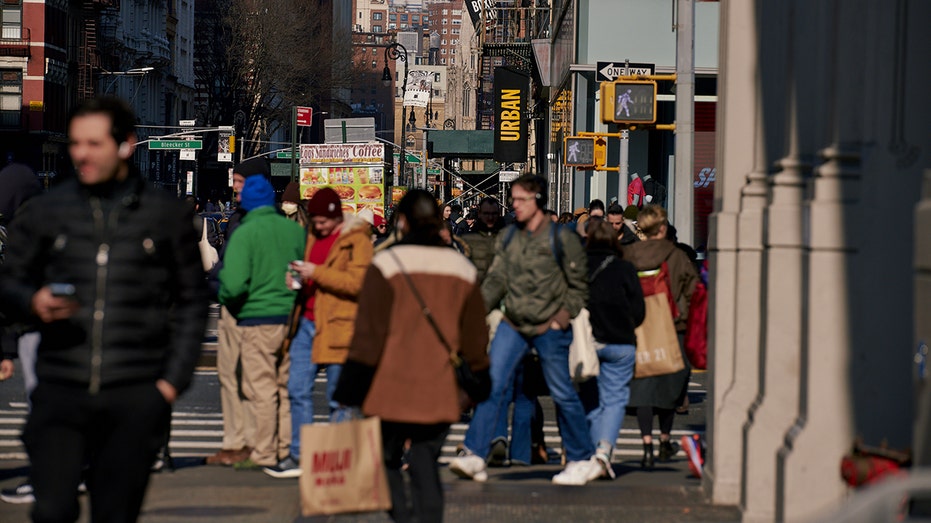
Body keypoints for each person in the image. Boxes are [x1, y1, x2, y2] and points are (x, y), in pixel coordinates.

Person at [0, 96, 208, 521]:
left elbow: (191, 301)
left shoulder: (163, 215)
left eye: (94, 144)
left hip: (132, 392)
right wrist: (32, 301)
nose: (82, 154)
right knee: (53, 509)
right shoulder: (47, 211)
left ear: (126, 145)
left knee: (116, 512)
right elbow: (10, 282)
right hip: (61, 387)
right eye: (77, 143)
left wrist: (170, 384)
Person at [334, 189, 490, 523]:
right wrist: (479, 380)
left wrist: (350, 387)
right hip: (439, 385)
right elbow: (476, 336)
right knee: (425, 459)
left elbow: (368, 335)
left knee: (388, 460)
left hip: (390, 383)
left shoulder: (386, 264)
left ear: (401, 221)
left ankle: (402, 516)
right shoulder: (461, 268)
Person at [449, 174, 603, 485]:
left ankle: (582, 457)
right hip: (514, 322)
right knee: (492, 384)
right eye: (513, 200)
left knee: (562, 392)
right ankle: (476, 453)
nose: (513, 205)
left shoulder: (563, 238)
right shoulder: (509, 237)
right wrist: (475, 311)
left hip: (549, 325)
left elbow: (579, 287)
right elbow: (496, 279)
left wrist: (561, 317)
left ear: (537, 201)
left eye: (520, 199)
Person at [264, 188, 373, 478]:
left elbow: (359, 283)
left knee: (339, 397)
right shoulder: (312, 234)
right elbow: (311, 271)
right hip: (307, 322)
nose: (318, 225)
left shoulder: (357, 240)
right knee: (297, 389)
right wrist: (297, 278)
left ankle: (339, 458)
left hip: (340, 325)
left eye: (323, 220)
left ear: (337, 216)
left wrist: (317, 272)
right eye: (315, 219)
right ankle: (299, 454)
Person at [218, 175, 306, 471]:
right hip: (290, 319)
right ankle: (283, 447)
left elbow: (233, 284)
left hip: (256, 317)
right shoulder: (293, 232)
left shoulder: (246, 233)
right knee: (283, 385)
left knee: (261, 388)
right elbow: (299, 274)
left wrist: (235, 304)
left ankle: (265, 452)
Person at [205, 157, 270, 467]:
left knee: (249, 380)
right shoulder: (236, 219)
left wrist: (218, 285)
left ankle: (248, 444)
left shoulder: (249, 223)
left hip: (247, 307)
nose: (235, 188)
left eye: (241, 183)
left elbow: (234, 269)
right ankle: (239, 442)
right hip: (245, 308)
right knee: (235, 378)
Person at [622, 205, 698, 468]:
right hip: (671, 328)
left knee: (642, 388)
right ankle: (665, 440)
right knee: (668, 388)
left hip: (637, 328)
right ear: (662, 228)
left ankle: (646, 444)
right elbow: (692, 291)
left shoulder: (628, 254)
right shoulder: (676, 256)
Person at [582, 219, 645, 479]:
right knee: (615, 398)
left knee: (591, 399)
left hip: (588, 343)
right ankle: (605, 450)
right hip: (620, 341)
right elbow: (639, 310)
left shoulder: (578, 267)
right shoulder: (625, 268)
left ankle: (596, 450)